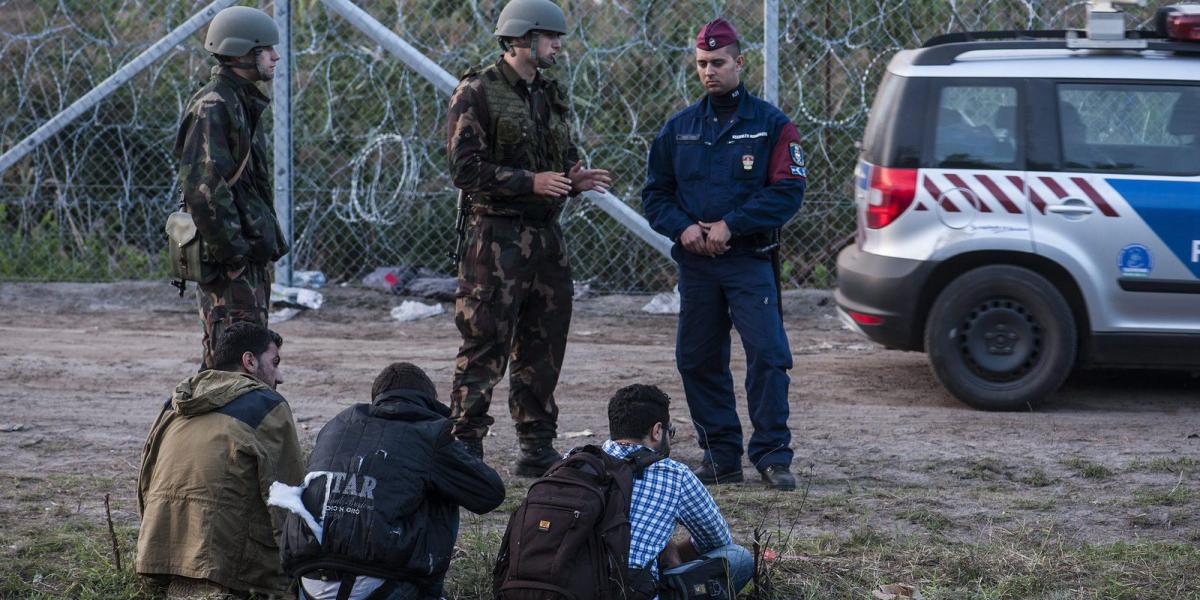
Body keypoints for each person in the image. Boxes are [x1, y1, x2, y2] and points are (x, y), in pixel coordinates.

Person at [445, 0, 611, 476]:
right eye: (551, 37)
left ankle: (536, 444)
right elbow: (464, 168)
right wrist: (529, 181)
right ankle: (466, 446)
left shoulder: (548, 92)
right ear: (522, 38)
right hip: (495, 240)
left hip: (544, 237)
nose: (558, 45)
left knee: (544, 344)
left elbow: (560, 153)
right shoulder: (477, 92)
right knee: (484, 343)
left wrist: (570, 178)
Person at [641, 18, 806, 490]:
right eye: (701, 64)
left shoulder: (771, 126)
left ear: (739, 63)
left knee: (768, 357)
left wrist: (733, 225)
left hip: (749, 261)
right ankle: (721, 457)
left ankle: (773, 456)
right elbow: (656, 195)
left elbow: (788, 192)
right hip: (698, 267)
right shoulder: (679, 129)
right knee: (697, 359)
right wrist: (684, 227)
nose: (709, 71)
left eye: (718, 62)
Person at [279, 362, 506, 600]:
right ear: (428, 402)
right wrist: (449, 451)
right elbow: (490, 494)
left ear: (378, 397)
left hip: (309, 579)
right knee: (444, 485)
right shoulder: (429, 432)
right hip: (379, 582)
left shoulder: (337, 426)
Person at [136, 321, 303, 598]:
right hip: (225, 566)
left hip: (159, 552)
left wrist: (151, 542)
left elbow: (145, 477)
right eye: (274, 362)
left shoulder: (175, 402)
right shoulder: (268, 404)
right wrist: (296, 572)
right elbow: (289, 497)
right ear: (249, 361)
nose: (280, 376)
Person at [175, 6, 288, 369]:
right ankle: (210, 425)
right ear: (241, 52)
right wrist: (234, 254)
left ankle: (241, 424)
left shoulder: (238, 101)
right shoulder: (216, 105)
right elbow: (203, 188)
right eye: (266, 49)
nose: (275, 56)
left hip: (243, 257)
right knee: (230, 361)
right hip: (230, 264)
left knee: (247, 353)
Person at [601, 384, 754, 596]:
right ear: (656, 431)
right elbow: (716, 542)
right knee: (739, 558)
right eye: (669, 432)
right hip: (631, 591)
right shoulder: (674, 474)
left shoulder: (572, 461)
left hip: (560, 587)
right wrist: (666, 547)